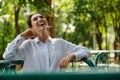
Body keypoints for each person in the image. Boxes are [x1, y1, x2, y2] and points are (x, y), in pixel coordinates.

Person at [3, 13, 91, 73]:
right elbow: (8, 55)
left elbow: (85, 50)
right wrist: (21, 36)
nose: (40, 19)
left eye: (41, 17)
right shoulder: (28, 45)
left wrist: (73, 55)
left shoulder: (60, 43)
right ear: (31, 27)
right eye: (35, 19)